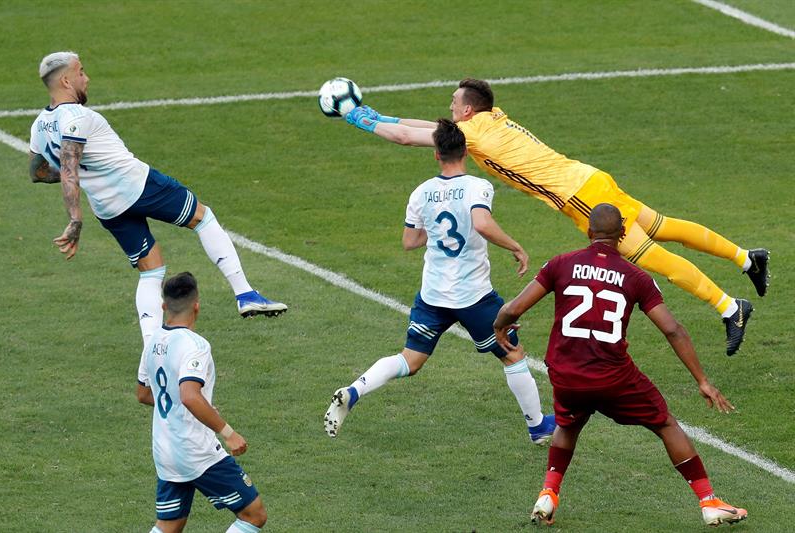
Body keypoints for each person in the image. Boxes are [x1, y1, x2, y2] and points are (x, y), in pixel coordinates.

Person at [343, 78, 768, 356]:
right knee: (664, 226)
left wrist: (355, 117)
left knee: (651, 257)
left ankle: (730, 307)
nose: (450, 109)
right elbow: (421, 126)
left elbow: (405, 137)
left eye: (454, 104)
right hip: (590, 178)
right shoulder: (492, 119)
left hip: (579, 197)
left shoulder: (471, 130)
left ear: (469, 111)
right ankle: (747, 258)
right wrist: (379, 114)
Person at [492, 203, 747, 527]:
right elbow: (672, 329)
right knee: (665, 423)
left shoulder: (560, 264)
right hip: (613, 377)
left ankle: (548, 493)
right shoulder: (636, 277)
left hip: (567, 375)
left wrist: (500, 325)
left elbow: (513, 309)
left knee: (568, 424)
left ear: (588, 231)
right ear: (623, 235)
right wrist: (702, 380)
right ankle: (709, 501)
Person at [28, 51, 286, 348]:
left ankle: (152, 345)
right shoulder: (77, 117)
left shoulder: (39, 125)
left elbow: (39, 171)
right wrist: (74, 217)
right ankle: (246, 295)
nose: (87, 78)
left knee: (151, 270)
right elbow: (70, 167)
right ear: (65, 79)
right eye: (81, 72)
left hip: (107, 206)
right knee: (203, 218)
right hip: (139, 185)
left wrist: (84, 175)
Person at [324, 118, 555, 443]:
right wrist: (515, 246)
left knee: (410, 359)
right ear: (466, 151)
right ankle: (538, 426)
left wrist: (434, 231)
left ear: (436, 154)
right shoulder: (478, 186)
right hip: (473, 296)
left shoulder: (421, 192)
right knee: (512, 354)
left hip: (432, 295)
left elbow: (409, 240)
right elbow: (482, 223)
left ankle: (354, 390)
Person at [136, 272, 267, 533]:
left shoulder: (152, 343)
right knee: (253, 515)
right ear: (197, 305)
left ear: (164, 306)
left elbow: (143, 394)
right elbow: (189, 396)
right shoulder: (195, 346)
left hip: (165, 451)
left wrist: (197, 406)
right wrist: (228, 433)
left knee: (169, 525)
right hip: (196, 451)